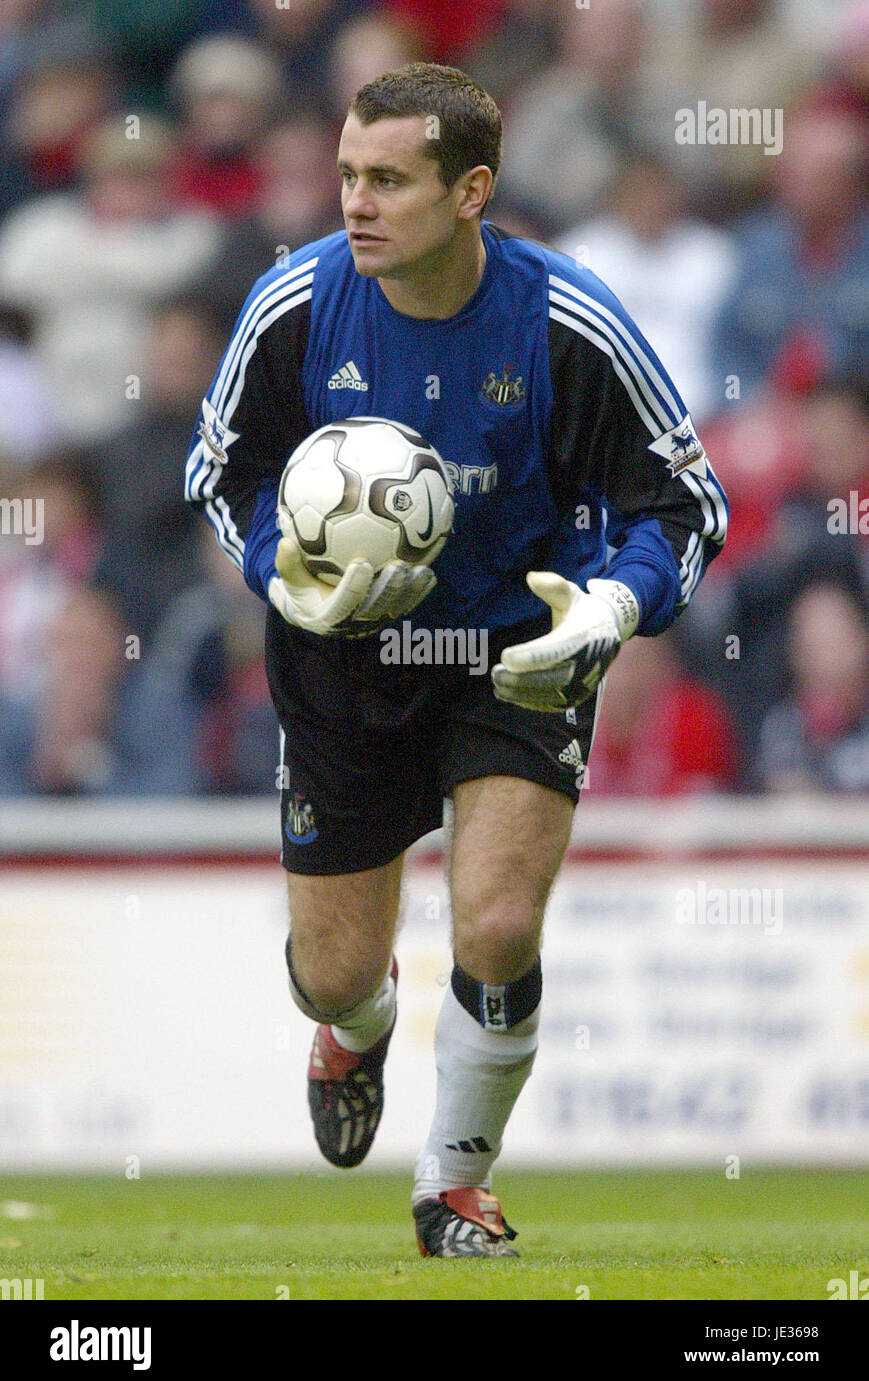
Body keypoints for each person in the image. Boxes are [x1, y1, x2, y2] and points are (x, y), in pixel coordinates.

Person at [184, 63, 727, 1258]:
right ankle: (353, 1026)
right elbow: (218, 473)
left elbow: (685, 503)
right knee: (328, 972)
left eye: (388, 180)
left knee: (492, 923)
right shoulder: (293, 304)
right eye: (344, 176)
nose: (355, 204)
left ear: (471, 189)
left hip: (515, 657)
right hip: (339, 662)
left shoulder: (564, 319)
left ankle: (454, 1189)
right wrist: (287, 572)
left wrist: (610, 613)